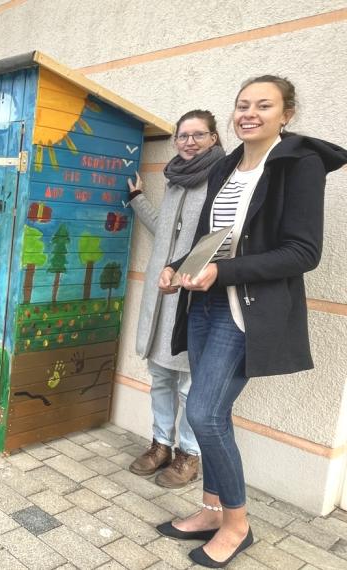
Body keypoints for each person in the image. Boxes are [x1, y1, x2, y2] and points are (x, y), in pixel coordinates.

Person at [156, 76, 347, 567]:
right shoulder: (226, 165)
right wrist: (179, 265)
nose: (250, 113)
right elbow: (211, 236)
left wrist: (223, 271)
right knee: (213, 414)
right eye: (242, 105)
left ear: (286, 114)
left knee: (203, 414)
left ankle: (237, 526)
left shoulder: (299, 164)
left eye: (264, 105)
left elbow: (303, 253)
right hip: (206, 304)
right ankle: (211, 510)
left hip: (247, 311)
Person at [126, 111, 225, 488]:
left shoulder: (221, 179)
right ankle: (161, 445)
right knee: (161, 377)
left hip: (193, 292)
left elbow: (222, 237)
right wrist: (137, 200)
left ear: (214, 138)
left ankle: (189, 454)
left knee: (189, 381)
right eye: (183, 136)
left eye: (198, 135)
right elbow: (164, 230)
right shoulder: (174, 181)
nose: (189, 142)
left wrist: (192, 272)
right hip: (161, 294)